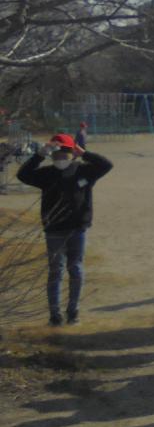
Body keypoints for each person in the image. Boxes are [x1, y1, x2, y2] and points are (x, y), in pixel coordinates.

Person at [17, 133, 113, 326]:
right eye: (57, 155)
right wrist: (40, 154)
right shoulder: (46, 174)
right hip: (54, 229)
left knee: (75, 269)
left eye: (65, 154)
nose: (61, 159)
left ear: (73, 154)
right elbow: (23, 175)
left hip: (77, 229)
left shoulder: (84, 171)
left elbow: (106, 165)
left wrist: (85, 154)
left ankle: (73, 311)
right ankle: (55, 314)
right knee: (55, 271)